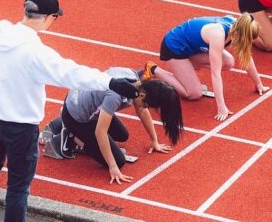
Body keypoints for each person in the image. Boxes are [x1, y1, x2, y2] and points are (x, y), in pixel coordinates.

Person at [0, 0, 140, 222]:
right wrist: (110, 82)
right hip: (22, 129)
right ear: (50, 18)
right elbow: (71, 73)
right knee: (17, 189)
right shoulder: (35, 52)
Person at [54, 64, 184, 184]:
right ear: (142, 95)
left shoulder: (134, 80)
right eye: (147, 105)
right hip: (76, 117)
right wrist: (112, 166)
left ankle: (68, 125)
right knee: (118, 160)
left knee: (122, 135)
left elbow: (142, 110)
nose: (146, 108)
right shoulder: (115, 96)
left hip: (82, 100)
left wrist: (154, 141)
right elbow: (100, 132)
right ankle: (71, 135)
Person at [154, 14, 269, 121]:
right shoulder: (218, 35)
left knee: (228, 62)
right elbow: (215, 74)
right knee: (194, 93)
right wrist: (221, 107)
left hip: (190, 48)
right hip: (174, 47)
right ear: (241, 35)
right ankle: (154, 69)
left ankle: (187, 69)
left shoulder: (238, 25)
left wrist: (259, 83)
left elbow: (246, 56)